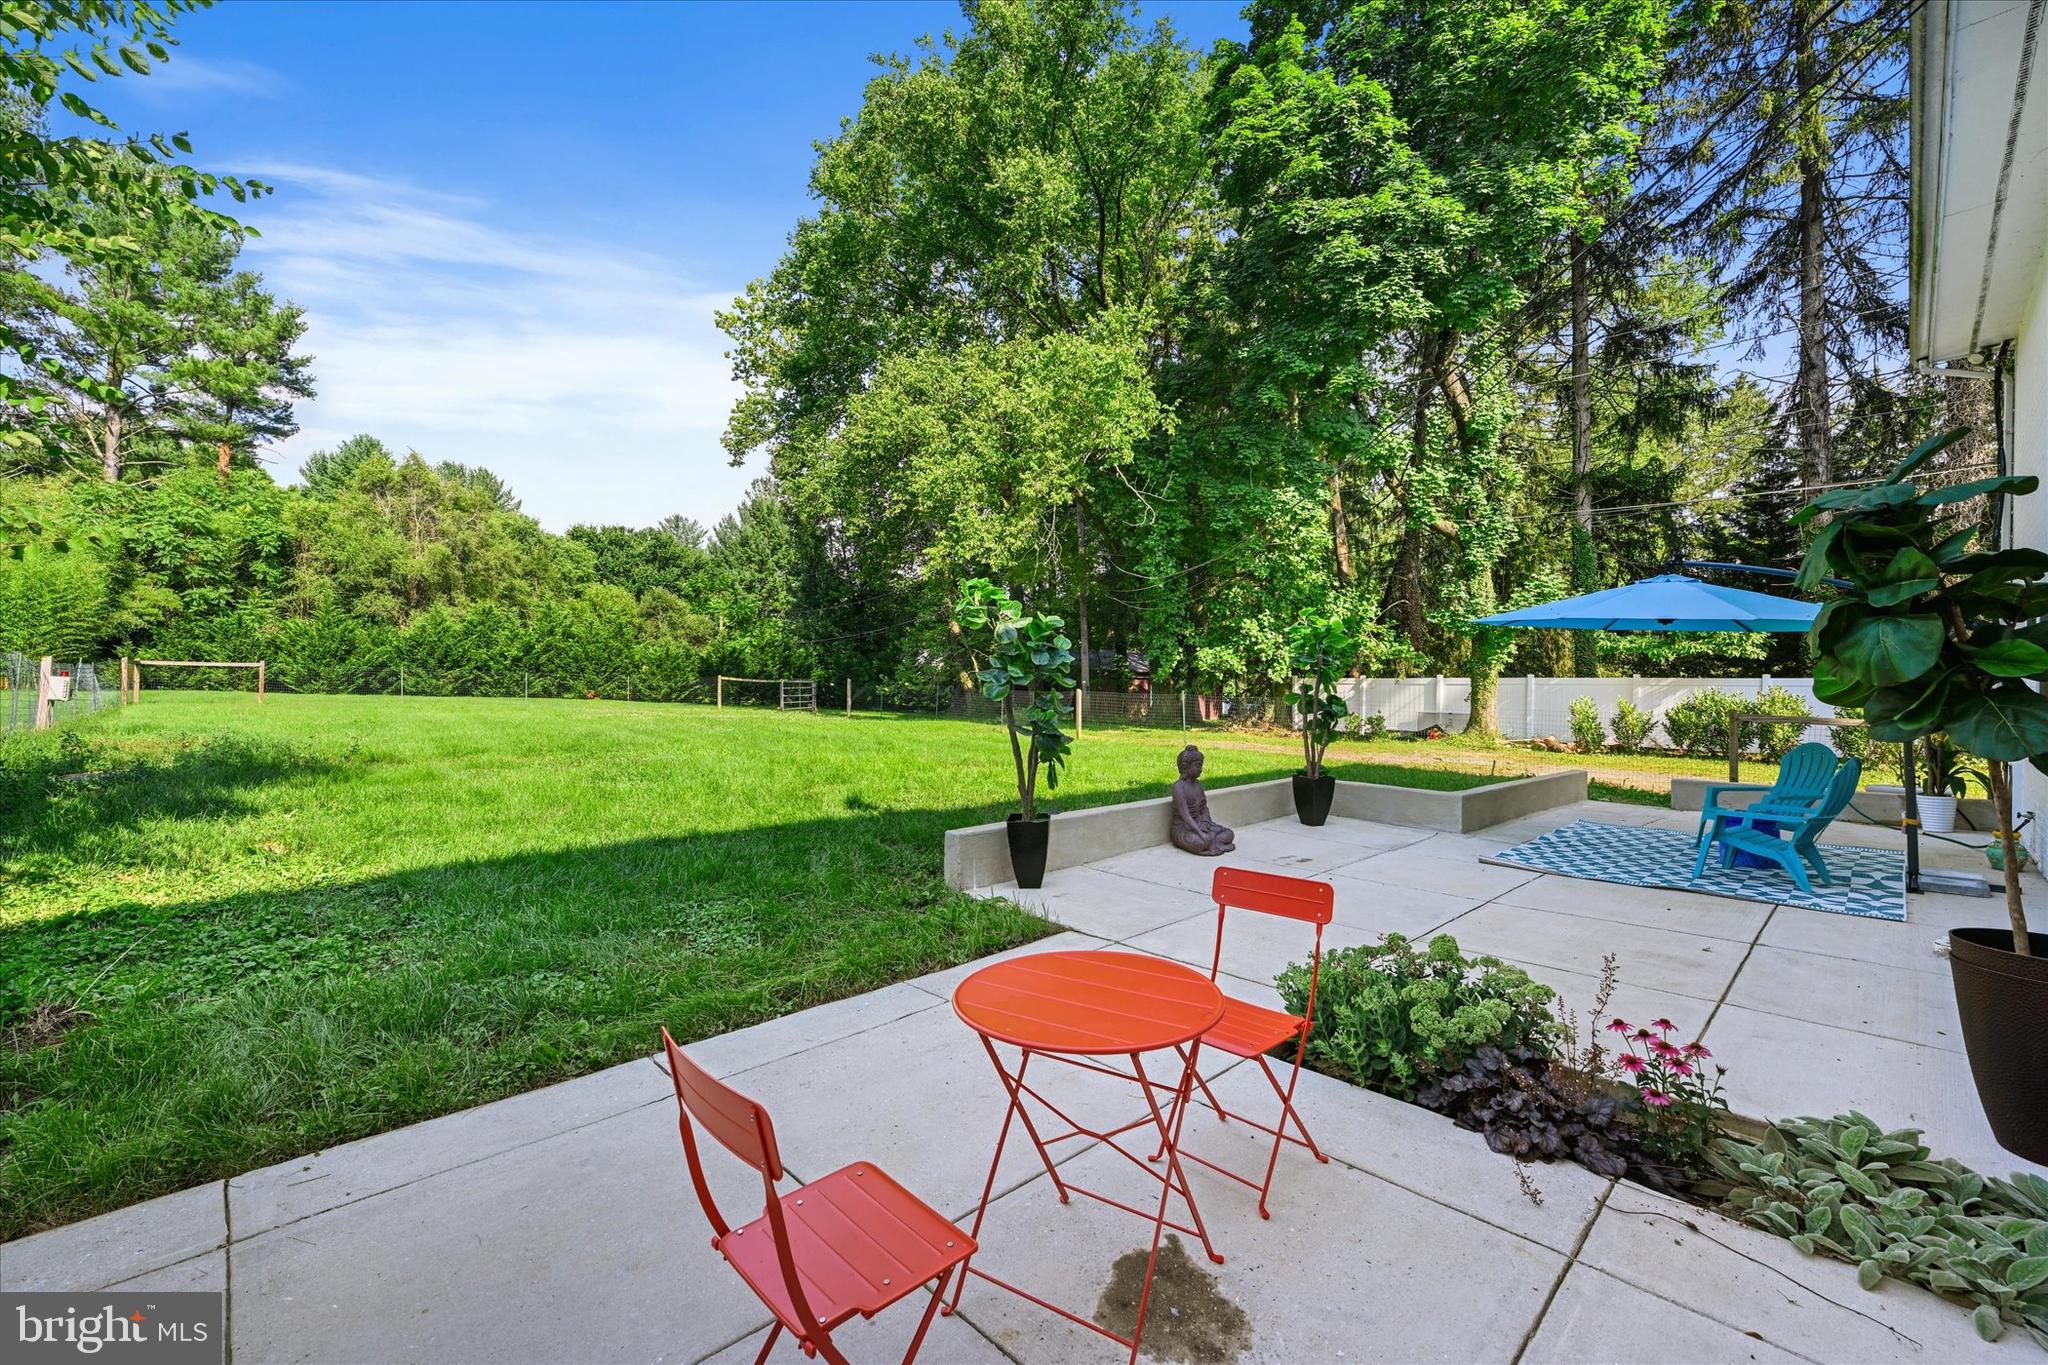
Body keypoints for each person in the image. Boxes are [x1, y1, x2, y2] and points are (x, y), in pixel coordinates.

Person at [1169, 744, 1235, 856]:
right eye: (1198, 766)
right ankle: (1213, 845)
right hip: (1184, 829)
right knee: (1200, 842)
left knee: (1229, 834)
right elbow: (1185, 815)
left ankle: (1212, 844)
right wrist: (1200, 833)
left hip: (1200, 824)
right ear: (1185, 767)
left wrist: (1205, 824)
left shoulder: (1198, 785)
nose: (1200, 769)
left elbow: (1204, 808)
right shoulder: (1178, 787)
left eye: (1201, 766)